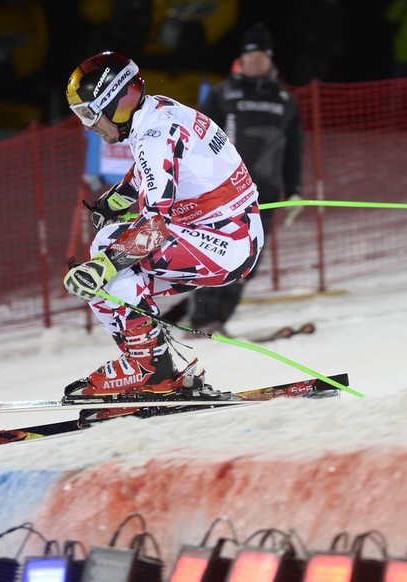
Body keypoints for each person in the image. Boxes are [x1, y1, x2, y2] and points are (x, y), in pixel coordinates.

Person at [62, 51, 264, 418]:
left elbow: (154, 227)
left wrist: (101, 268)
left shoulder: (154, 135)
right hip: (223, 233)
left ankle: (151, 369)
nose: (88, 126)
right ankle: (152, 367)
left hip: (225, 242)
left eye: (89, 114)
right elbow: (154, 173)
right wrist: (114, 202)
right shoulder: (157, 112)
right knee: (111, 262)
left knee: (108, 253)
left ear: (115, 105)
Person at [163, 23, 304, 335]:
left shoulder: (284, 100)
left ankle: (217, 321)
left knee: (248, 261)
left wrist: (294, 191)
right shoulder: (223, 94)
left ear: (270, 59)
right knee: (217, 256)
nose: (255, 60)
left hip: (266, 194)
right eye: (249, 54)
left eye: (261, 55)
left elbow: (294, 150)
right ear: (241, 58)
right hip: (222, 194)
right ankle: (200, 320)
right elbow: (195, 139)